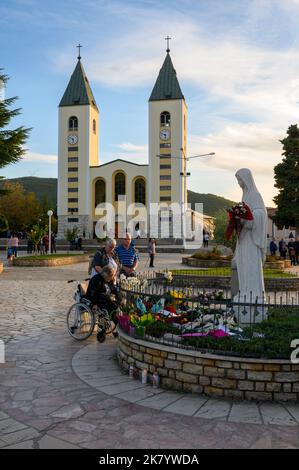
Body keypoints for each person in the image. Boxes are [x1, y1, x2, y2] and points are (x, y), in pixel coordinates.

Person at [232, 168, 267, 320]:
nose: (239, 183)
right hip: (244, 238)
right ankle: (244, 290)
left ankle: (253, 293)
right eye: (237, 180)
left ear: (246, 179)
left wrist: (247, 219)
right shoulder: (245, 195)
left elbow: (261, 214)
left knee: (251, 265)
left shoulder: (254, 195)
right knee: (243, 265)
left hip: (252, 240)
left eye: (240, 180)